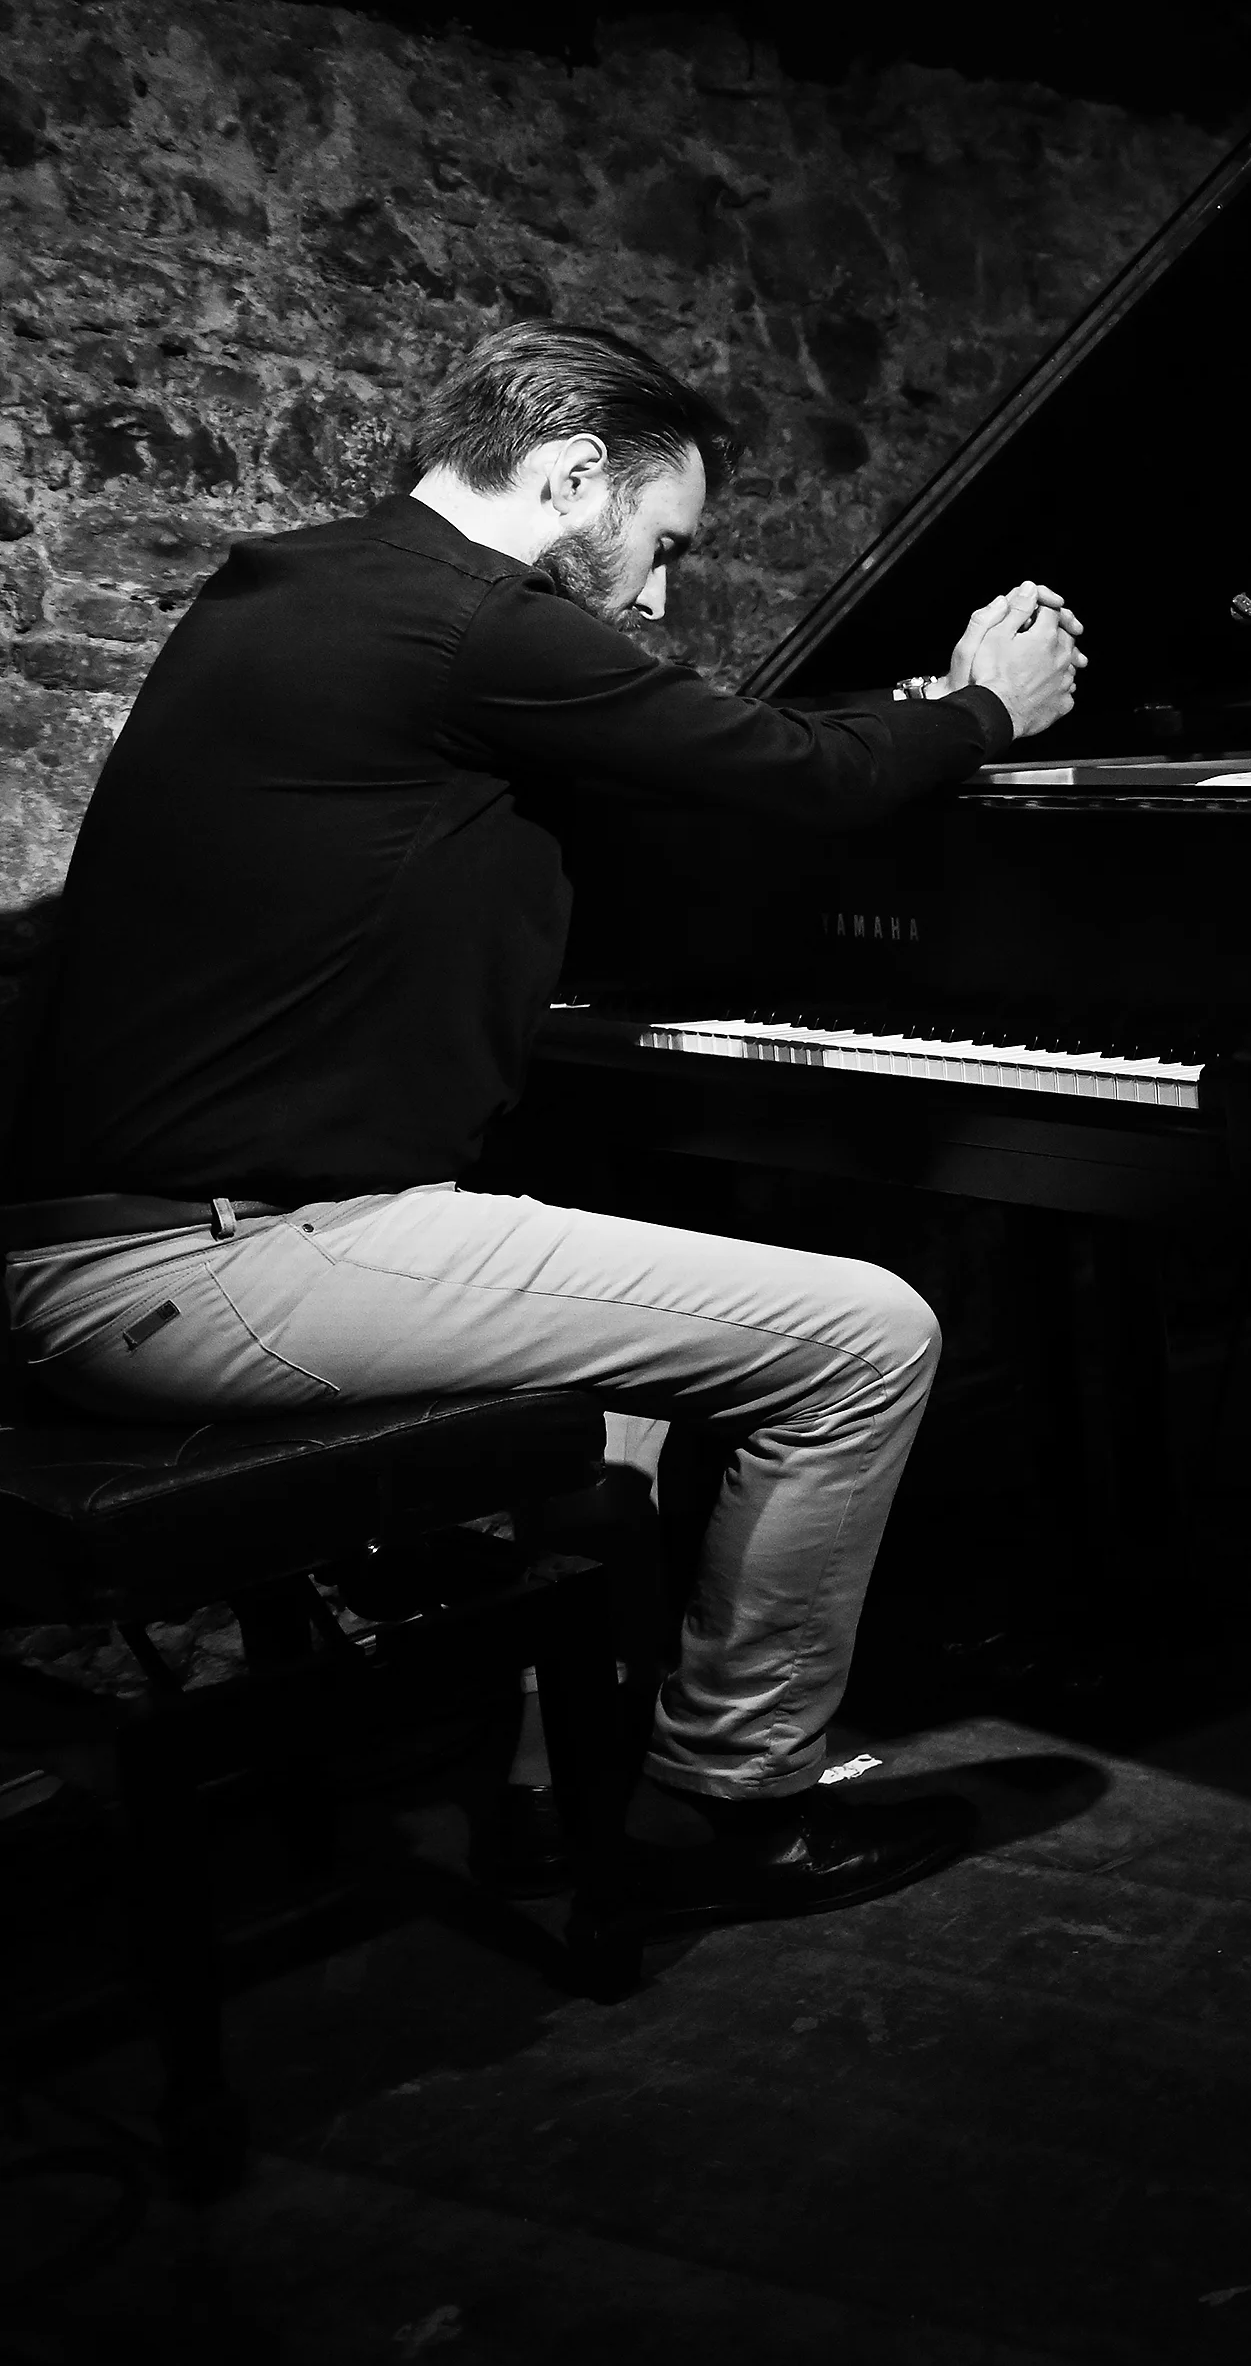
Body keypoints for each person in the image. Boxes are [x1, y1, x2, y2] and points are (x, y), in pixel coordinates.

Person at [2, 321, 1087, 1930]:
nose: (656, 600)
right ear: (577, 472)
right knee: (869, 1334)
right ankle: (736, 1801)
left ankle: (550, 1788)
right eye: (665, 544)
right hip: (202, 1264)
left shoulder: (319, 588)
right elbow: (791, 775)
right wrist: (986, 705)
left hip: (136, 1243)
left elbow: (690, 760)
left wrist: (910, 707)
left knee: (634, 1397)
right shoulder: (471, 620)